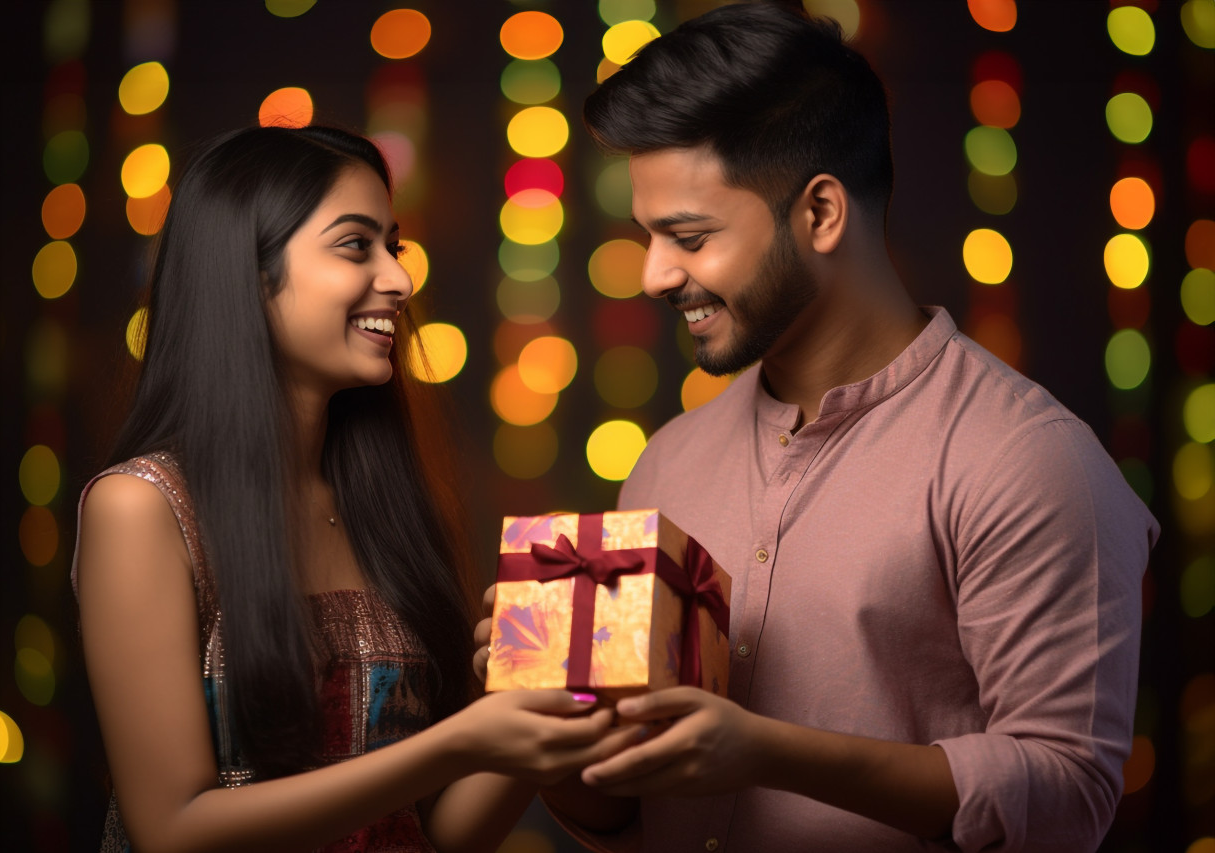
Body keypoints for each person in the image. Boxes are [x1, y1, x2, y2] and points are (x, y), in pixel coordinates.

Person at [473, 3, 1158, 851]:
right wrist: (548, 717)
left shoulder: (1027, 460)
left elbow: (1067, 798)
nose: (653, 274)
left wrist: (767, 752)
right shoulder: (666, 462)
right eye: (647, 234)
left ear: (822, 213)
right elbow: (631, 813)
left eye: (688, 235)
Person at [72, 125, 636, 853]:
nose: (400, 279)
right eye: (355, 245)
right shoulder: (142, 506)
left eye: (392, 246)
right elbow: (173, 829)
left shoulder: (383, 505)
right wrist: (461, 742)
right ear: (246, 273)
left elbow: (435, 835)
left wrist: (531, 697)